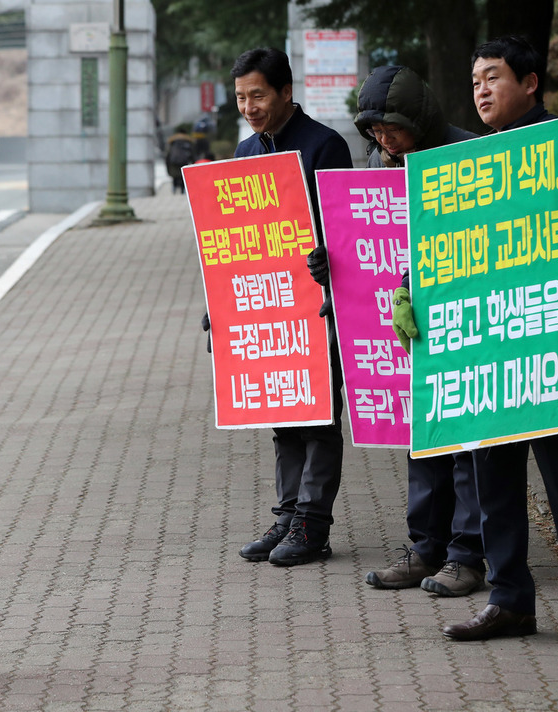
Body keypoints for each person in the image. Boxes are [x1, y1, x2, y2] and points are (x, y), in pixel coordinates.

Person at [441, 35, 558, 648]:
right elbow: (441, 240)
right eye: (475, 83)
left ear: (531, 82)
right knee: (492, 472)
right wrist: (413, 288)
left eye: (493, 77)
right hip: (485, 339)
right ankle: (509, 599)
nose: (482, 91)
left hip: (541, 329)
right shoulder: (466, 159)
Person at [343, 65, 485, 597]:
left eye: (391, 130)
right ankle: (427, 547)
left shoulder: (466, 155)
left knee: (467, 438)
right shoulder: (384, 162)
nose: (384, 140)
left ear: (417, 120)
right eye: (374, 133)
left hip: (464, 317)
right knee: (422, 433)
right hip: (414, 324)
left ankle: (468, 555)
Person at [225, 46, 353, 566]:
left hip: (321, 305)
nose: (249, 107)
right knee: (283, 410)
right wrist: (223, 303)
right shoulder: (243, 154)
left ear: (286, 92)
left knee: (320, 413)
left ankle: (312, 524)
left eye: (257, 94)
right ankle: (286, 516)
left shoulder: (325, 146)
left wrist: (330, 257)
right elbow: (233, 246)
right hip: (271, 308)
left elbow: (349, 228)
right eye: (240, 98)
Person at [165, 125, 195, 193]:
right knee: (183, 176)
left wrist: (168, 163)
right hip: (184, 161)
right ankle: (182, 191)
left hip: (174, 161)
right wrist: (193, 162)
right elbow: (191, 153)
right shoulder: (188, 140)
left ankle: (174, 189)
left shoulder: (172, 140)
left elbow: (168, 153)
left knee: (175, 176)